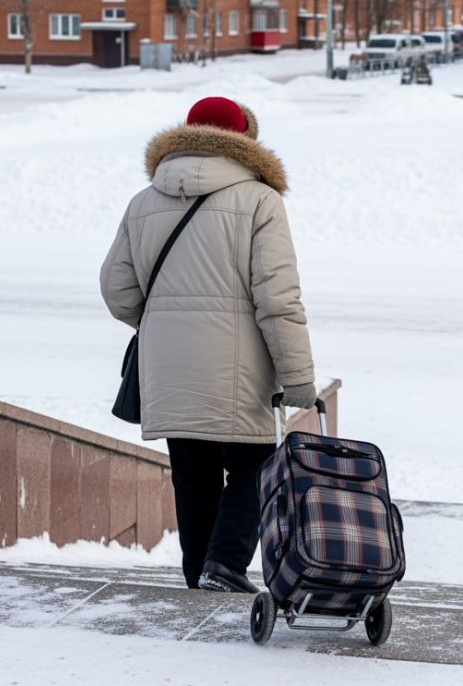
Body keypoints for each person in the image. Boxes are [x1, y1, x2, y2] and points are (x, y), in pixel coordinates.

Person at [100, 97, 317, 593]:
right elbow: (278, 298)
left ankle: (198, 572)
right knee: (254, 464)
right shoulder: (261, 200)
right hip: (241, 368)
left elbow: (117, 291)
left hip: (168, 363)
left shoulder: (143, 201)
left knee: (191, 472)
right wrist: (299, 377)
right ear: (244, 141)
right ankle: (225, 564)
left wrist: (163, 322)